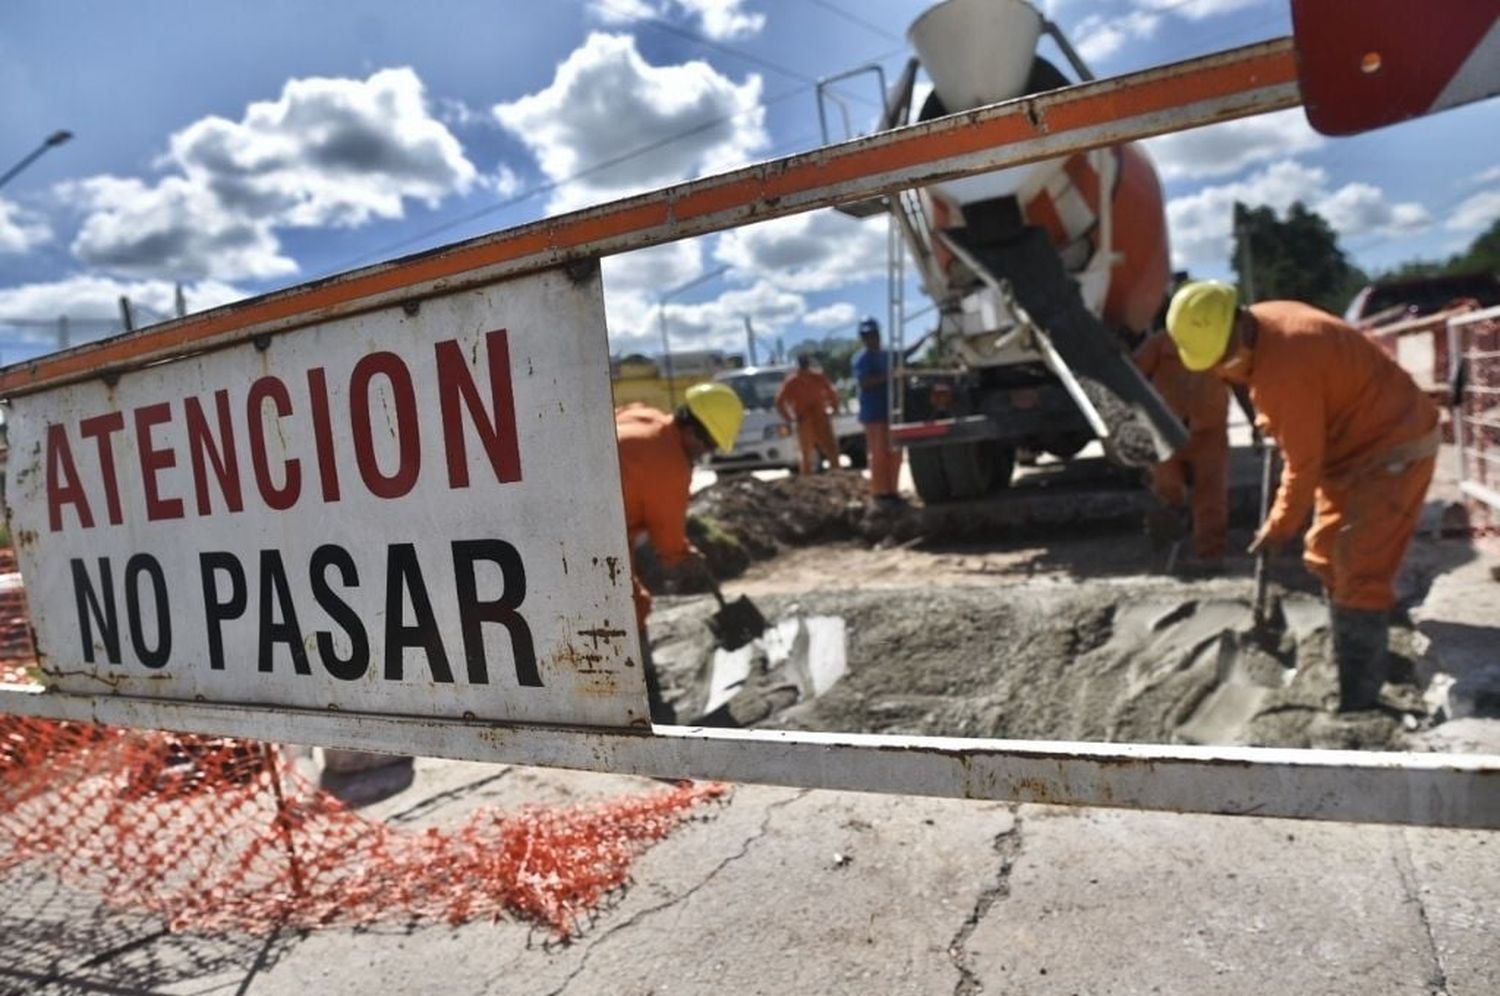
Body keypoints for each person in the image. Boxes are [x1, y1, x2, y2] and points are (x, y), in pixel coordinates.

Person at [1166, 281, 1439, 713]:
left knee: (1358, 568)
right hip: (1348, 452)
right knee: (1324, 553)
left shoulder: (1285, 366)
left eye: (1222, 362)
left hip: (1392, 448)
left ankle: (1360, 700)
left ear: (1235, 335)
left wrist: (1277, 528)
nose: (1221, 372)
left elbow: (1302, 467)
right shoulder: (1265, 323)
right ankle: (1364, 645)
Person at [616, 382, 745, 723]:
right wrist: (685, 556)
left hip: (596, 519)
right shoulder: (669, 464)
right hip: (587, 531)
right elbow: (668, 545)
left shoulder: (645, 417)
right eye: (706, 444)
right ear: (691, 427)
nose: (705, 453)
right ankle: (641, 691)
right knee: (627, 604)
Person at [1134, 328, 1232, 571]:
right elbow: (1134, 376)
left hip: (1209, 431)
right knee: (1166, 489)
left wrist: (1255, 421)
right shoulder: (1159, 343)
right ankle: (1166, 551)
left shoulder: (1220, 341)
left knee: (1211, 495)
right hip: (1165, 431)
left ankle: (1210, 554)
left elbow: (1239, 381)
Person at [851, 317, 925, 505]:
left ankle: (892, 491)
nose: (871, 338)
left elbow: (905, 353)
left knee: (894, 453)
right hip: (874, 414)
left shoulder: (886, 355)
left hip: (891, 412)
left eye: (873, 334)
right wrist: (889, 375)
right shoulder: (862, 359)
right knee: (879, 453)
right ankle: (880, 493)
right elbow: (865, 382)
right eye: (867, 335)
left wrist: (924, 337)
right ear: (862, 338)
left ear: (878, 334)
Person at [775, 354, 843, 475]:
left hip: (820, 417)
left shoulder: (818, 377)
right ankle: (808, 481)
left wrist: (834, 408)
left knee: (831, 448)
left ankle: (837, 475)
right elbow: (780, 402)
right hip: (804, 418)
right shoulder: (792, 381)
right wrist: (790, 418)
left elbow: (832, 393)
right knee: (806, 452)